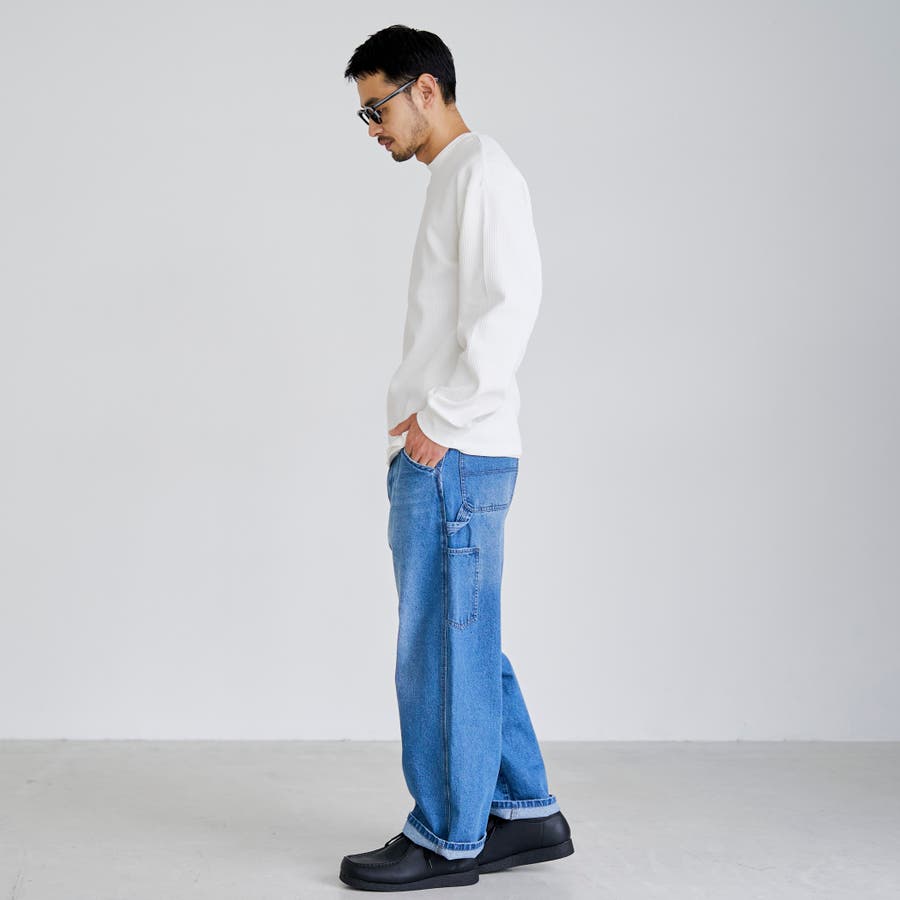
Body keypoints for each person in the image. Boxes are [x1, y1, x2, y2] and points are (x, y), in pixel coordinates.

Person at [340, 24, 574, 892]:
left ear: (427, 89)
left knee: (440, 650)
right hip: (453, 455)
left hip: (457, 457)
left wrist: (440, 420)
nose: (373, 129)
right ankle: (526, 812)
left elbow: (510, 306)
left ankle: (446, 837)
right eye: (364, 114)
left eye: (377, 108)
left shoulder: (481, 172)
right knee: (466, 643)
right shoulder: (456, 176)